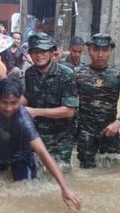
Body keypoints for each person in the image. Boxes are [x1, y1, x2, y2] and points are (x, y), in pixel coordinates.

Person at [0, 78, 82, 210]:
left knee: (26, 194)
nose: (8, 108)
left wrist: (64, 188)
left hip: (21, 157)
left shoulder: (23, 120)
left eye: (14, 103)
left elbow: (42, 152)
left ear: (20, 100)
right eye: (4, 102)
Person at [74, 33, 120, 169]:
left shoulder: (118, 74)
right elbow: (69, 103)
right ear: (89, 50)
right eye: (96, 49)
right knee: (86, 173)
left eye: (105, 50)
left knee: (113, 173)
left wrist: (119, 122)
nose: (100, 54)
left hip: (110, 131)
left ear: (111, 51)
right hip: (85, 134)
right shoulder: (77, 73)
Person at [22, 33, 79, 166]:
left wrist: (35, 112)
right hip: (36, 137)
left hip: (60, 139)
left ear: (52, 52)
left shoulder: (66, 74)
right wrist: (5, 102)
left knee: (60, 177)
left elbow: (69, 111)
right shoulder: (29, 73)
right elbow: (27, 97)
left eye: (43, 51)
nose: (39, 55)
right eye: (35, 51)